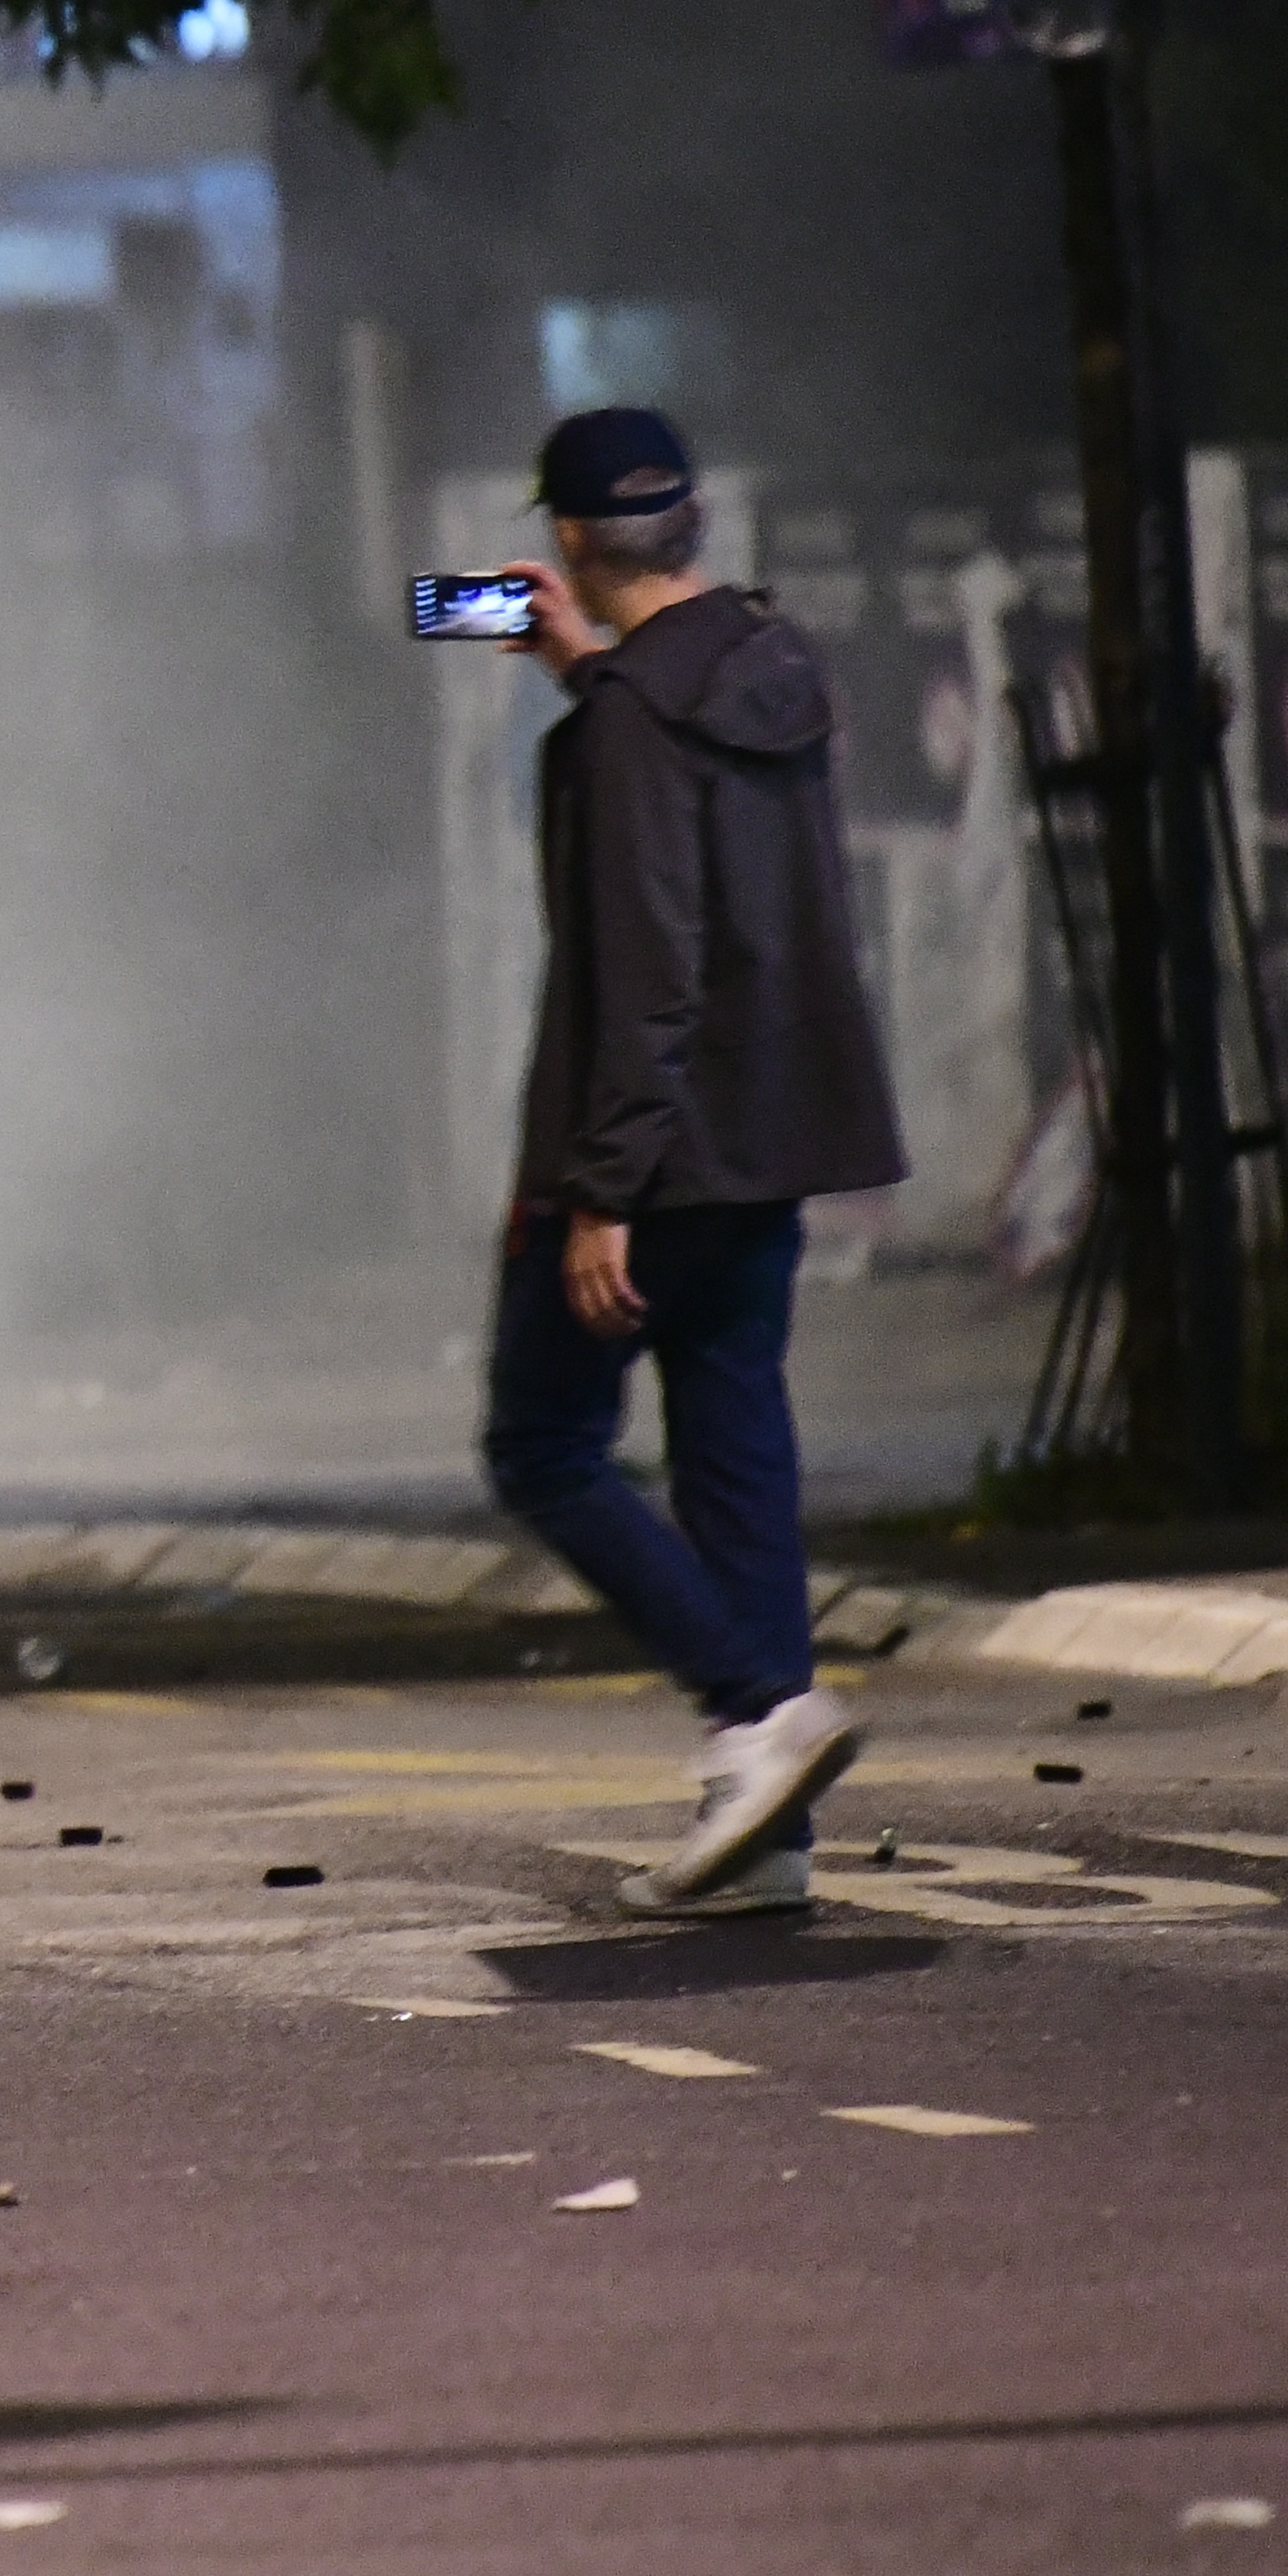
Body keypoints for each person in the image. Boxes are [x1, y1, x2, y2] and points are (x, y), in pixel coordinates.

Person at [492, 404, 911, 1916]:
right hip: (769, 1136)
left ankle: (756, 1711)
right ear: (694, 522)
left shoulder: (628, 721)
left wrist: (599, 1189)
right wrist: (585, 674)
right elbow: (703, 826)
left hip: (654, 1152)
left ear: (571, 539)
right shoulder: (768, 665)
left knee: (542, 1444)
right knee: (735, 1452)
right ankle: (769, 1835)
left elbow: (651, 965)